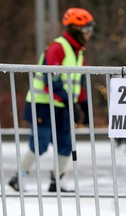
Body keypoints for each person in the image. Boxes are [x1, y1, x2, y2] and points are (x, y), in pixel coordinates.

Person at [7, 8, 94, 192]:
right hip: (43, 104)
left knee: (66, 144)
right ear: (75, 30)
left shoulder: (79, 53)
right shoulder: (58, 48)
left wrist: (83, 104)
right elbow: (50, 80)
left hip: (62, 105)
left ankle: (57, 180)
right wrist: (69, 101)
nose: (90, 33)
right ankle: (17, 178)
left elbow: (79, 82)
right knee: (40, 144)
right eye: (86, 29)